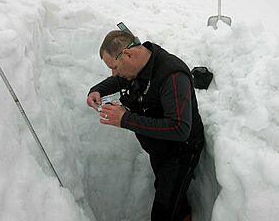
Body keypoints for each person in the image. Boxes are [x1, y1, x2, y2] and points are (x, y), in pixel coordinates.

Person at [87, 29, 205, 221]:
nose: (114, 73)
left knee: (163, 211)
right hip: (159, 147)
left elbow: (180, 128)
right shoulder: (141, 65)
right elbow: (118, 80)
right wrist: (98, 90)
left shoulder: (172, 75)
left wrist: (125, 119)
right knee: (170, 195)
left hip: (180, 152)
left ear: (128, 54)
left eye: (115, 67)